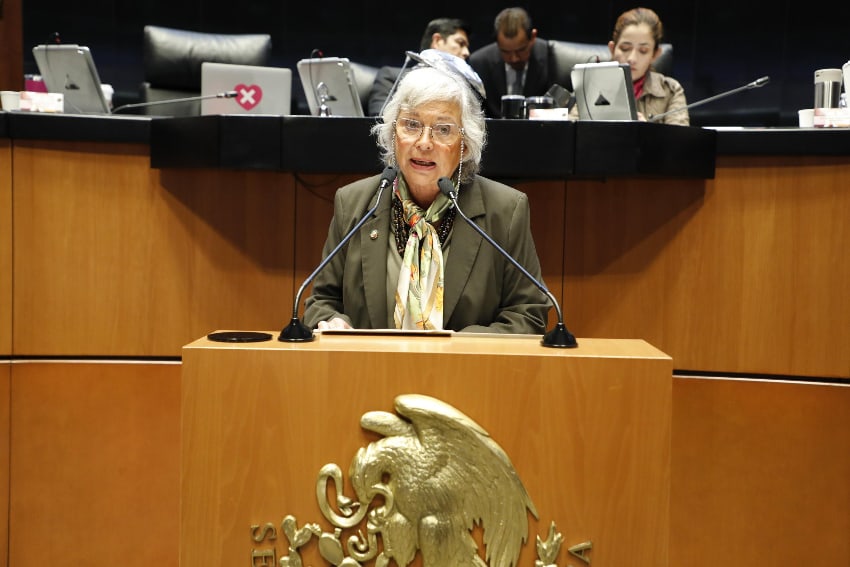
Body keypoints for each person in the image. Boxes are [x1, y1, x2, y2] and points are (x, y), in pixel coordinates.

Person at [303, 62, 550, 333]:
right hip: (370, 371)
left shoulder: (505, 210)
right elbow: (321, 300)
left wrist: (458, 348)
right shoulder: (355, 203)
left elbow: (529, 314)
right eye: (411, 125)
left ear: (465, 144)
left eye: (443, 129)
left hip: (465, 374)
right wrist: (335, 322)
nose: (424, 142)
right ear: (393, 134)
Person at [467, 7, 567, 118]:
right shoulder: (479, 63)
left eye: (521, 50)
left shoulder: (553, 59)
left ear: (533, 37)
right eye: (505, 52)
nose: (514, 58)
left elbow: (561, 110)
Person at [366, 18, 472, 116]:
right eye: (460, 43)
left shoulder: (465, 87)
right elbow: (379, 122)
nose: (466, 52)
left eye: (467, 47)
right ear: (437, 40)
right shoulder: (391, 77)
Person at [605, 7, 688, 125]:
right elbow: (571, 135)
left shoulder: (671, 91)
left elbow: (680, 141)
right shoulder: (589, 85)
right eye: (625, 48)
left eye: (643, 51)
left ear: (655, 54)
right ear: (612, 49)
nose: (632, 59)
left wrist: (647, 133)